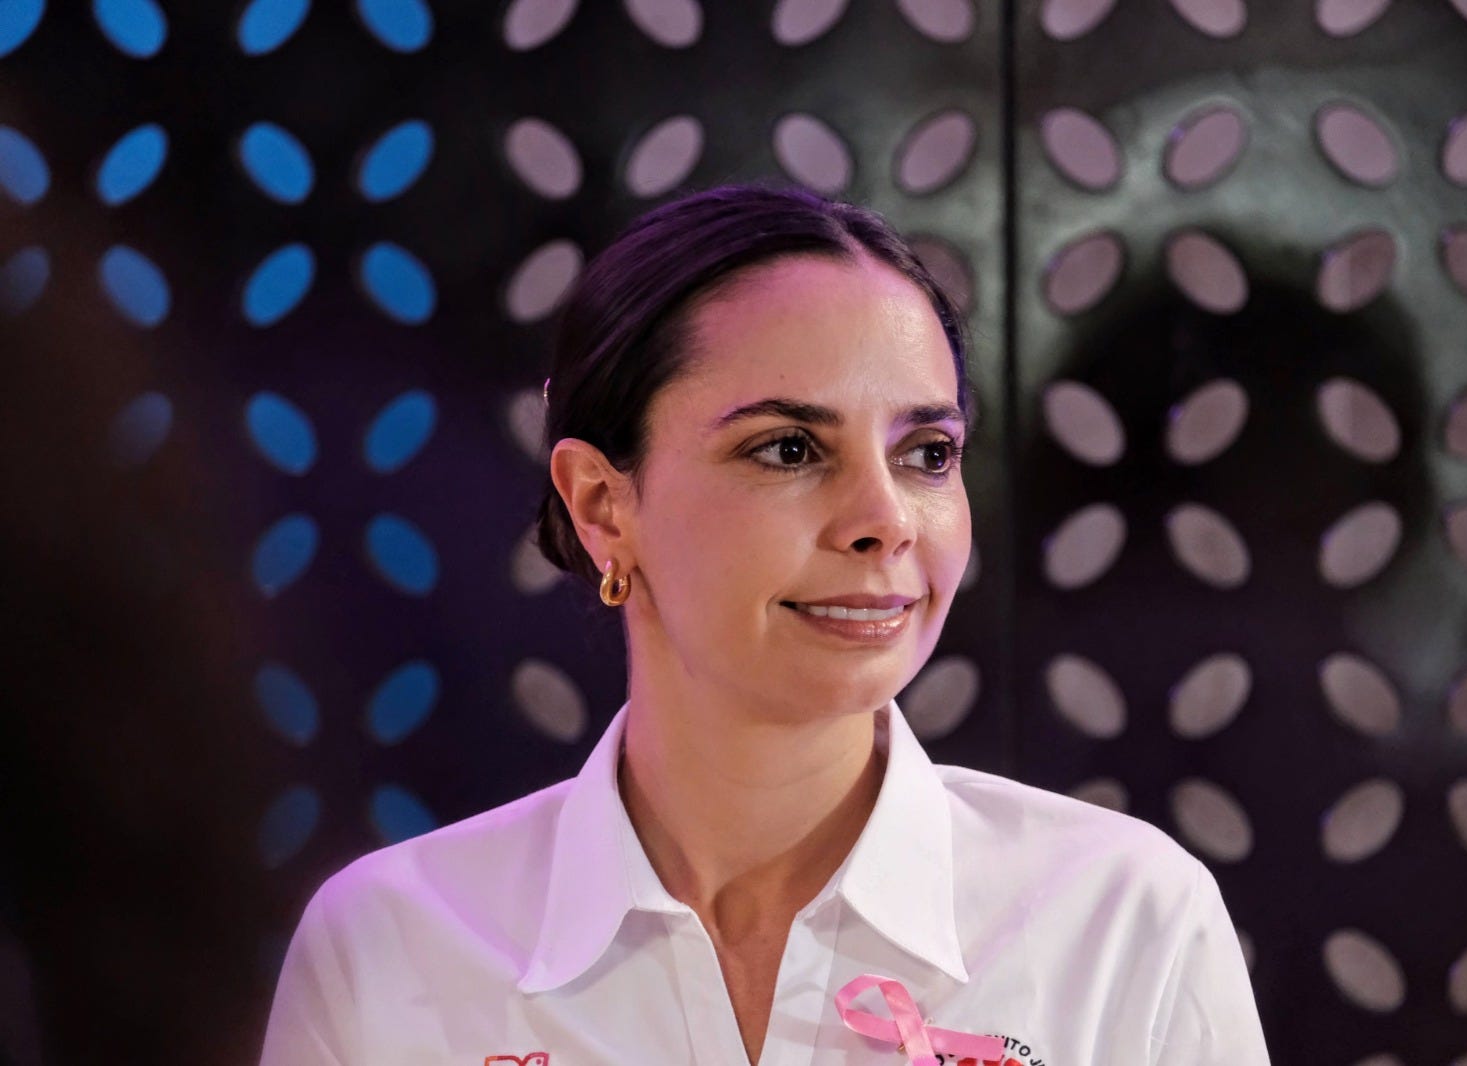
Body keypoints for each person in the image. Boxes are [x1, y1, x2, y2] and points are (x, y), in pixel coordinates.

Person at [260, 184, 1270, 1065]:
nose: (884, 520)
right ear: (603, 505)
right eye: (789, 449)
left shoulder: (1121, 922)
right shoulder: (391, 948)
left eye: (926, 454)